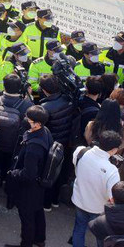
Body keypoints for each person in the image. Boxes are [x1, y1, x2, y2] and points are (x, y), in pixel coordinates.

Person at [4, 106, 53, 247]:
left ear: (37, 124)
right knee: (37, 210)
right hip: (39, 185)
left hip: (28, 187)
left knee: (27, 216)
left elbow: (28, 174)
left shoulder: (33, 147)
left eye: (29, 120)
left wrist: (12, 173)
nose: (26, 121)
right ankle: (40, 239)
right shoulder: (45, 132)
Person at [71, 130, 123, 247]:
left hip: (80, 200)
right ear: (114, 149)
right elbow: (113, 198)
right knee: (102, 235)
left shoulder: (81, 151)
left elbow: (75, 166)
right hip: (99, 208)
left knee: (79, 230)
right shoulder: (112, 170)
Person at [39, 76, 75, 210]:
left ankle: (46, 204)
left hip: (51, 145)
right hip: (65, 142)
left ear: (44, 90)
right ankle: (55, 200)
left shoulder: (45, 107)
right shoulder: (68, 99)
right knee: (59, 174)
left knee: (49, 173)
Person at [84, 99, 124, 181]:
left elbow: (87, 139)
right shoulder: (123, 132)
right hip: (116, 169)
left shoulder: (91, 126)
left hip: (94, 164)